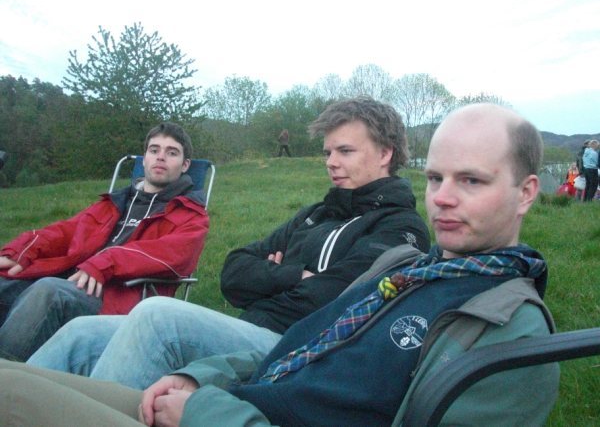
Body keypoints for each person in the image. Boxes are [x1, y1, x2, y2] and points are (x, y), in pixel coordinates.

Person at [0, 103, 559, 426]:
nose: (442, 197)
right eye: (435, 178)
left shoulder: (494, 320)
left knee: (151, 320)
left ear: (527, 192)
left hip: (229, 409)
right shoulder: (404, 267)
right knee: (53, 350)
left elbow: (313, 310)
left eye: (471, 181)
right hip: (241, 387)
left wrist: (207, 406)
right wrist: (204, 376)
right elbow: (238, 276)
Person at [27, 96, 431, 389]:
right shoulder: (317, 213)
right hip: (248, 328)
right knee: (82, 333)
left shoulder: (399, 227)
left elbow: (333, 302)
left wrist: (269, 277)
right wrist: (293, 275)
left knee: (158, 318)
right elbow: (233, 272)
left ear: (385, 154)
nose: (331, 162)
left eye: (345, 151)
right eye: (328, 151)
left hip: (293, 349)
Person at [0, 123, 209, 361]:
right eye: (154, 150)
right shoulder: (116, 202)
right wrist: (21, 250)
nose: (161, 157)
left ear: (185, 165)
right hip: (73, 280)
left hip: (119, 296)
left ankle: (8, 375)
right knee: (5, 281)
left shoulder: (190, 215)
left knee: (48, 291)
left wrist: (105, 262)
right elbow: (66, 231)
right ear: (144, 159)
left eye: (172, 153)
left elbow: (174, 255)